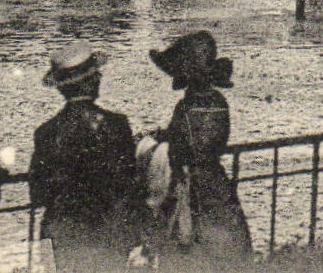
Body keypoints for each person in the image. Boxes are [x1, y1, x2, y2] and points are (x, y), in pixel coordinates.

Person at [31, 42, 141, 273]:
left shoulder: (46, 132)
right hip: (109, 232)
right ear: (89, 81)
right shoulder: (117, 125)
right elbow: (130, 181)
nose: (99, 78)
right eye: (96, 74)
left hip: (63, 234)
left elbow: (38, 192)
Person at [149, 31, 251, 270]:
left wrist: (163, 139)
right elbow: (216, 140)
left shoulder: (185, 106)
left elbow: (178, 148)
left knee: (184, 244)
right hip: (217, 181)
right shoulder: (219, 103)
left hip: (190, 184)